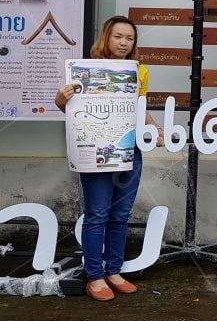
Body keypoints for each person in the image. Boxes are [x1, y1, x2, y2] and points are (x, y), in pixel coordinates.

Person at [54, 16, 163, 302]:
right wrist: (60, 99)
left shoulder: (139, 71)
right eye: (118, 36)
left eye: (130, 38)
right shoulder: (84, 70)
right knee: (97, 215)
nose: (124, 42)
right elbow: (72, 110)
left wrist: (155, 129)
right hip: (95, 151)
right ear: (106, 37)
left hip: (129, 150)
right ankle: (95, 276)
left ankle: (114, 271)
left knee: (120, 215)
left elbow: (139, 108)